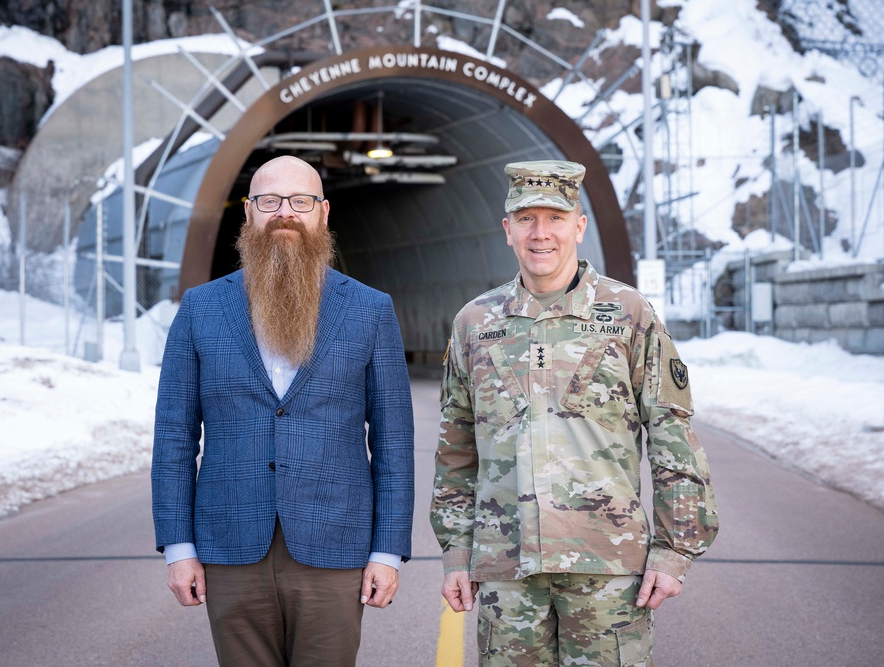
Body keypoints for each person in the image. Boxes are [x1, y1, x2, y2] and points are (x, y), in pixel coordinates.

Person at [431, 160, 719, 666]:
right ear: (507, 230)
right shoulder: (475, 323)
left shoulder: (628, 314)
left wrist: (676, 549)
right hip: (507, 570)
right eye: (526, 219)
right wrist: (457, 549)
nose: (541, 234)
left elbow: (672, 433)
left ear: (579, 227)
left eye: (556, 218)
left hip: (608, 569)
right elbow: (456, 448)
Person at [152, 155, 415, 666]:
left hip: (335, 546)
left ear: (323, 212)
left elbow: (393, 443)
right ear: (248, 213)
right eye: (270, 202)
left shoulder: (370, 309)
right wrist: (178, 548)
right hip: (229, 547)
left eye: (301, 201)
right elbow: (175, 439)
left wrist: (387, 551)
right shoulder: (199, 309)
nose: (285, 213)